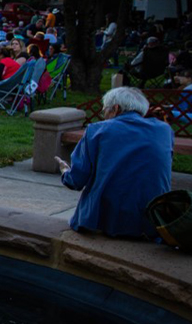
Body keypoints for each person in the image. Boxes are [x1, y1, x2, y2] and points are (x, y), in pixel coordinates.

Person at [56, 87, 172, 238]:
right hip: (155, 221)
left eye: (105, 110)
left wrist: (65, 171)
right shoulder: (164, 130)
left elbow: (76, 180)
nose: (104, 115)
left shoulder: (98, 130)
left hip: (108, 221)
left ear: (115, 108)